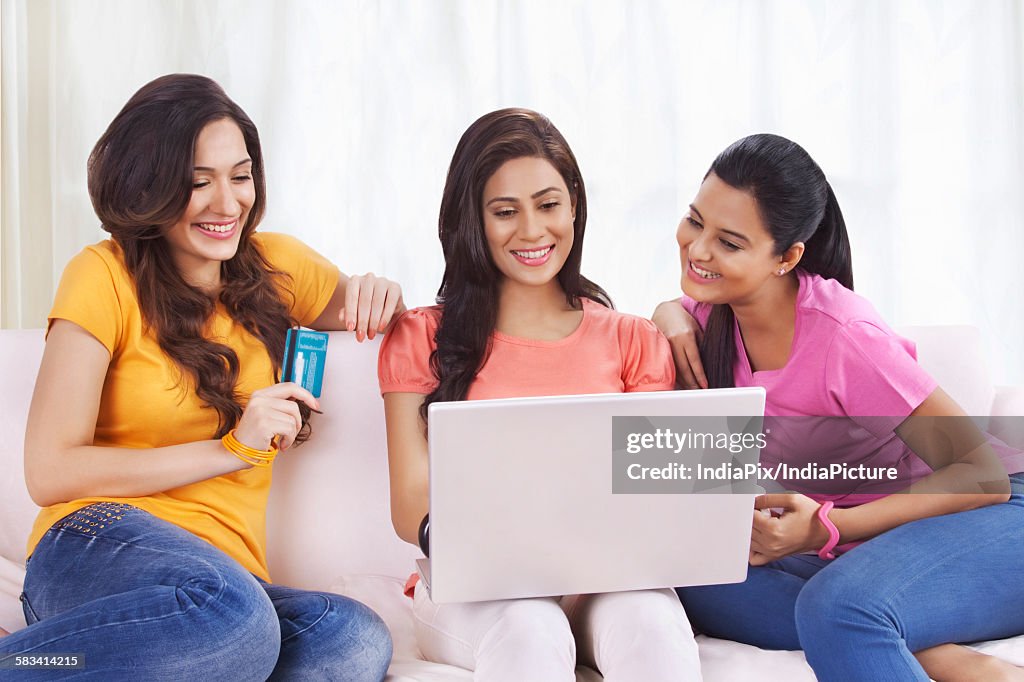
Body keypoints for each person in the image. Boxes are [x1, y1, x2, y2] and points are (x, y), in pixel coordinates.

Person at [0, 74, 400, 681]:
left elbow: (385, 320)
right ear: (149, 188)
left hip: (223, 584)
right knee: (235, 624)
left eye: (240, 176)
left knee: (350, 640)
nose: (228, 203)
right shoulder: (101, 274)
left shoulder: (278, 266)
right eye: (197, 183)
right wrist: (230, 449)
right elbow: (50, 470)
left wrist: (382, 294)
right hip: (95, 541)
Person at [652, 133, 1024, 682]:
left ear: (787, 257)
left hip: (992, 515)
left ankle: (888, 633)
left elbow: (981, 476)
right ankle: (923, 650)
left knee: (838, 607)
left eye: (729, 242)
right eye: (694, 220)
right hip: (865, 545)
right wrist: (668, 312)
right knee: (688, 569)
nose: (698, 249)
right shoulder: (710, 317)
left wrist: (827, 528)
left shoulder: (844, 336)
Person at [378, 108, 702, 681]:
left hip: (604, 581)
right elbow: (411, 509)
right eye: (505, 212)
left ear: (574, 205)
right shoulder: (423, 335)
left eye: (549, 205)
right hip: (480, 588)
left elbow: (658, 501)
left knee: (651, 622)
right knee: (531, 627)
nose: (532, 231)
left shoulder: (633, 340)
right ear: (472, 221)